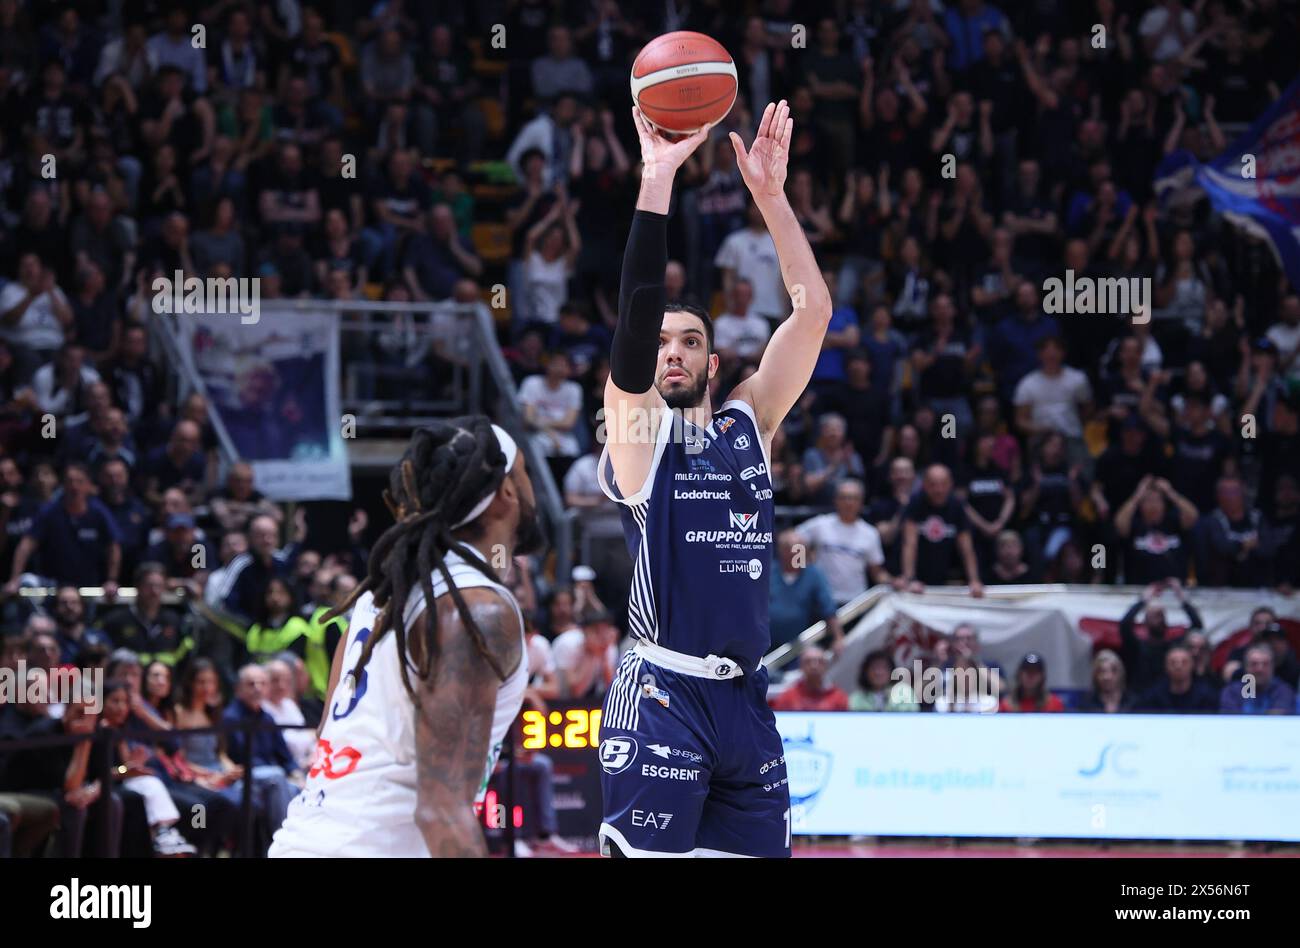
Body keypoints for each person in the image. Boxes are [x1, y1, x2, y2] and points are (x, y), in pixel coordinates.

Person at [596, 101, 831, 858]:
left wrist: (770, 195)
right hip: (663, 694)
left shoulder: (747, 424)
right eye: (661, 341)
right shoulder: (639, 438)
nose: (670, 352)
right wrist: (657, 178)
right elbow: (632, 324)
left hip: (746, 701)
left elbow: (813, 310)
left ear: (712, 361)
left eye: (689, 340)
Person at [268, 417, 543, 857]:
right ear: (505, 492)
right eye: (525, 471)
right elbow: (442, 812)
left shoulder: (377, 598)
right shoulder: (476, 609)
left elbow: (330, 743)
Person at [796, 479, 890, 607]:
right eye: (844, 497)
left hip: (855, 603)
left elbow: (877, 573)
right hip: (822, 600)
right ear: (836, 500)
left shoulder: (870, 533)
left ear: (861, 503)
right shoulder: (821, 524)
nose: (848, 502)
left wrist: (895, 582)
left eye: (853, 498)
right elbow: (793, 539)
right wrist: (802, 567)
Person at [1117, 578, 1203, 694]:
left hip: (1166, 702)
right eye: (1154, 615)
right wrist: (1143, 600)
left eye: (1161, 615)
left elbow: (1197, 626)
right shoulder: (1136, 646)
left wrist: (1181, 596)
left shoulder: (1174, 646)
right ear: (1145, 621)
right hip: (1140, 702)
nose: (1159, 619)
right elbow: (1125, 626)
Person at [769, 529, 842, 652]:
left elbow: (828, 607)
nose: (800, 555)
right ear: (782, 551)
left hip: (800, 645)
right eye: (794, 550)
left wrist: (838, 637)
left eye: (802, 550)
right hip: (766, 644)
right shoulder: (767, 572)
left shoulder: (813, 573)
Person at [1137, 645, 1219, 714]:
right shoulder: (1153, 697)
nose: (1178, 666)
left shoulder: (1206, 696)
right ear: (1166, 667)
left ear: (1192, 665)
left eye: (1184, 662)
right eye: (1173, 662)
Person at [1219, 644, 1296, 715]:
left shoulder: (1284, 691)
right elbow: (1232, 722)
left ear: (1273, 667)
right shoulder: (1231, 692)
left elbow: (1277, 721)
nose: (1260, 669)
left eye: (1265, 664)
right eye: (1254, 664)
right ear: (1246, 667)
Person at [769, 647, 849, 711]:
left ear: (826, 666)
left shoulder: (839, 698)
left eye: (819, 661)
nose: (814, 666)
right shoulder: (788, 697)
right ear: (801, 666)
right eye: (808, 662)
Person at [849, 650, 919, 711]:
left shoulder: (904, 692)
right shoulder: (857, 698)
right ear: (865, 672)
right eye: (874, 668)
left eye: (883, 667)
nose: (879, 672)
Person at [999, 653, 1064, 712]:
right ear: (1019, 674)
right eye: (1027, 671)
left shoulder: (1054, 704)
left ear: (1042, 676)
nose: (1030, 676)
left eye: (1035, 672)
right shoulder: (1006, 705)